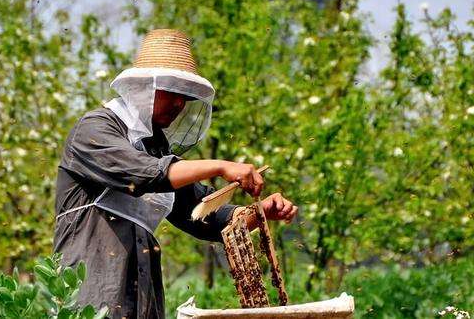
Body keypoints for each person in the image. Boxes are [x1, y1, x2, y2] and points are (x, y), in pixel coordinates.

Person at [53, 29, 298, 318]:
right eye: (172, 92)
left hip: (144, 299)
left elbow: (200, 213)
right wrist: (221, 166)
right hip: (90, 295)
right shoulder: (95, 130)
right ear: (143, 87)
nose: (180, 105)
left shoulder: (155, 147)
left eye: (185, 97)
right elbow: (144, 175)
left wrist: (259, 213)